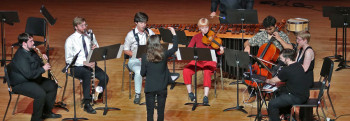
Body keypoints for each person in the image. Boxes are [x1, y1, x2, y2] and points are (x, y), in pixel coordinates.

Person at [10, 33, 61, 121]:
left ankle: (46, 112)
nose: (33, 43)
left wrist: (42, 60)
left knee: (52, 85)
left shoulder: (31, 50)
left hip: (31, 79)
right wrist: (43, 69)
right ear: (24, 43)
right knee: (40, 94)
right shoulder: (21, 56)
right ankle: (36, 119)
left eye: (33, 40)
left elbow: (35, 64)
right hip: (21, 82)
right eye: (31, 41)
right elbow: (29, 74)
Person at [243, 15, 293, 103]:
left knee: (274, 71)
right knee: (249, 73)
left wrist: (279, 39)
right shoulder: (261, 35)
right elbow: (247, 42)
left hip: (275, 63)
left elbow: (290, 48)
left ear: (275, 26)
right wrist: (247, 46)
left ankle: (270, 94)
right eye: (267, 29)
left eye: (270, 29)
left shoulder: (281, 35)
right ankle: (254, 94)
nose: (268, 31)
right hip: (261, 61)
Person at [65, 16, 109, 114]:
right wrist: (84, 63)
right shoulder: (70, 40)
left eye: (85, 25)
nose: (84, 27)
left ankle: (96, 94)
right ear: (76, 27)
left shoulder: (90, 36)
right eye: (82, 26)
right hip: (76, 67)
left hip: (90, 65)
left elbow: (98, 48)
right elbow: (68, 60)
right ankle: (87, 104)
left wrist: (95, 49)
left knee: (105, 77)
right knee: (87, 75)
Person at [183, 18, 224, 105]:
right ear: (199, 28)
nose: (205, 29)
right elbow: (189, 49)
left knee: (206, 72)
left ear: (208, 27)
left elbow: (217, 52)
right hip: (198, 60)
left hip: (209, 61)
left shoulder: (213, 37)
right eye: (202, 27)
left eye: (206, 27)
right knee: (186, 70)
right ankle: (190, 93)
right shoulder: (196, 37)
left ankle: (205, 96)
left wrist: (221, 51)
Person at [141, 27, 178, 121]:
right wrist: (174, 33)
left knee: (150, 113)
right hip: (162, 87)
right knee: (161, 112)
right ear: (158, 43)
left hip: (150, 87)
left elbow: (142, 73)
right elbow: (175, 48)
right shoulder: (164, 53)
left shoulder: (145, 56)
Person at [266, 49, 311, 121]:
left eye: (281, 58)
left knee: (272, 104)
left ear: (287, 59)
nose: (280, 60)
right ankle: (286, 114)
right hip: (304, 94)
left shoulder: (286, 70)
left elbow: (274, 80)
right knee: (279, 92)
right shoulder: (299, 65)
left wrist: (267, 80)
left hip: (297, 98)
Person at [124, 12, 155, 104]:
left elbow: (155, 45)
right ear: (136, 23)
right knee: (138, 72)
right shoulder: (130, 35)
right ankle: (138, 93)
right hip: (135, 60)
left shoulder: (149, 32)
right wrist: (137, 56)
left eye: (145, 23)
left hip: (147, 59)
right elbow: (126, 50)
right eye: (141, 23)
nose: (144, 25)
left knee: (156, 69)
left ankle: (153, 92)